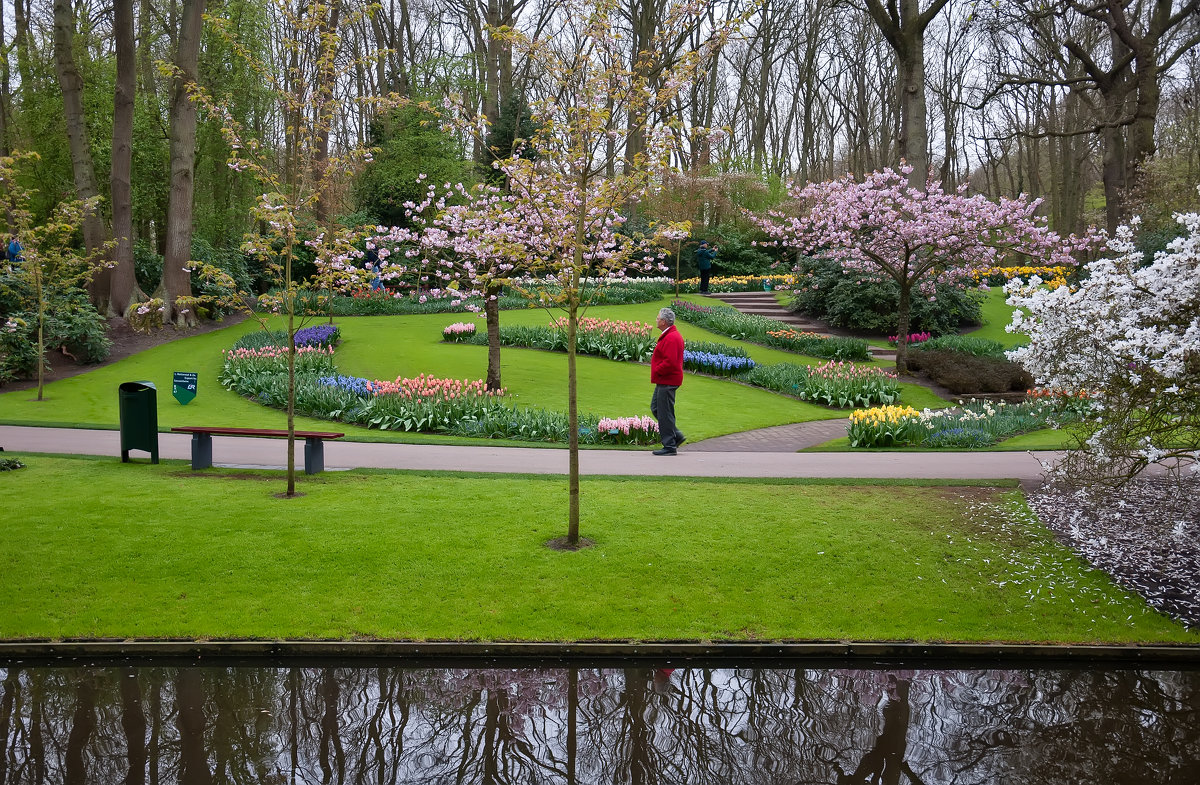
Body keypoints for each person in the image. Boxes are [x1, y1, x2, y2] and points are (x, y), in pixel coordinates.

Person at [650, 306, 685, 455]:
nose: (656, 320)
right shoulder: (670, 335)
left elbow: (670, 362)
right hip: (666, 379)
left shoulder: (671, 337)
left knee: (665, 412)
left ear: (664, 322)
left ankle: (670, 445)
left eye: (658, 318)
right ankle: (676, 436)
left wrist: (657, 369)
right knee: (657, 408)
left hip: (668, 380)